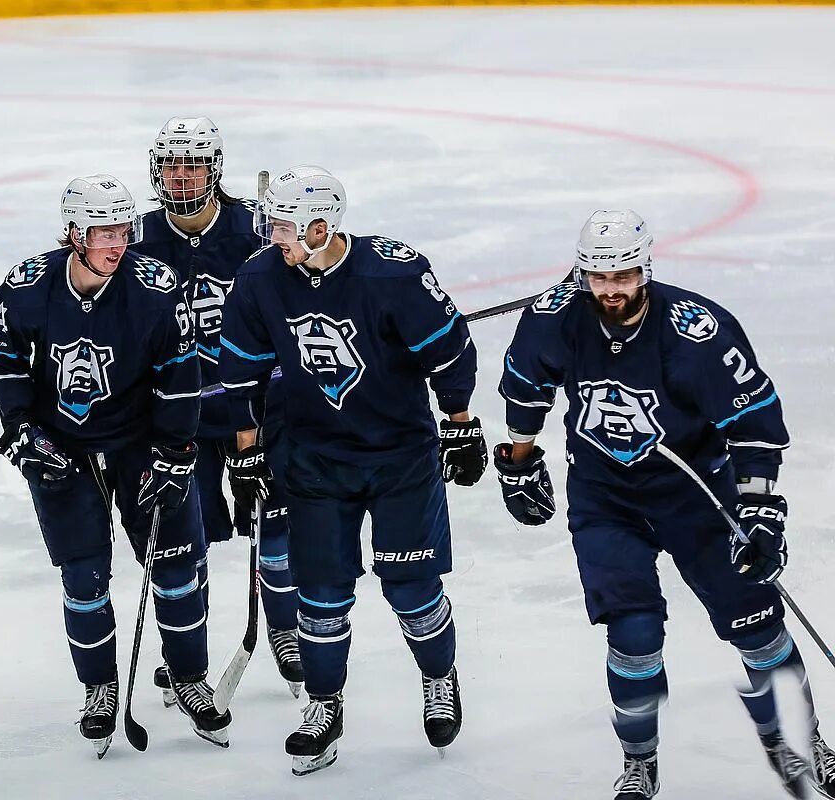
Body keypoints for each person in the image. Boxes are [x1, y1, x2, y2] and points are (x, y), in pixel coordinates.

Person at [493, 209, 835, 799]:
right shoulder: (554, 318)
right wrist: (519, 461)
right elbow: (526, 388)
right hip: (605, 497)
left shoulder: (694, 331)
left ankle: (805, 746)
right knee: (633, 632)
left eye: (623, 275)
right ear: (583, 273)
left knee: (755, 626)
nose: (611, 289)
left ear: (645, 267)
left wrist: (759, 510)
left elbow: (753, 426)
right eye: (599, 278)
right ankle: (639, 761)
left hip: (698, 496)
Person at [218, 165, 487, 776]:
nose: (272, 237)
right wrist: (246, 452)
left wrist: (461, 423)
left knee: (412, 589)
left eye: (283, 226)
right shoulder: (261, 279)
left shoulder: (392, 273)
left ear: (321, 225)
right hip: (314, 458)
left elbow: (449, 354)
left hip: (400, 456)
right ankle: (324, 703)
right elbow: (241, 374)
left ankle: (440, 678)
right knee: (320, 595)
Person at [0, 174, 230, 757]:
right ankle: (99, 689)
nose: (117, 243)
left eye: (122, 229)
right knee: (84, 578)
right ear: (73, 233)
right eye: (103, 232)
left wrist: (175, 452)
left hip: (140, 445)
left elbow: (180, 371)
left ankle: (189, 679)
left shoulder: (154, 286)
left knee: (175, 568)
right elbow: (1, 355)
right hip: (61, 448)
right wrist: (21, 429)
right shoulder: (27, 286)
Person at [135, 116, 303, 701]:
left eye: (194, 165)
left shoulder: (256, 231)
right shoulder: (135, 240)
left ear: (215, 168)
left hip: (261, 410)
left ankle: (287, 630)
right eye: (172, 166)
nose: (183, 178)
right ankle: (190, 653)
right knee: (189, 541)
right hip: (183, 423)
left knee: (276, 534)